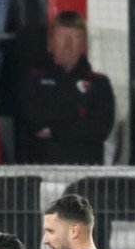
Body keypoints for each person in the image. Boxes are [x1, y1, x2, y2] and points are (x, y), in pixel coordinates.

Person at [15, 11, 114, 164]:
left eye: (75, 37)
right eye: (62, 37)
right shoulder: (33, 79)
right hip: (40, 170)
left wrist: (55, 130)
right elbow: (33, 119)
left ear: (84, 45)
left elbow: (99, 128)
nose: (68, 45)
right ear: (50, 43)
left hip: (86, 173)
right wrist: (77, 115)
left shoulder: (99, 83)